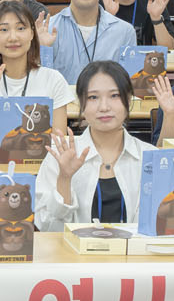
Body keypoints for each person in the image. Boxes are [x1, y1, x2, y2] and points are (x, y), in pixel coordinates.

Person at [34, 60, 155, 230]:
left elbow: (155, 227)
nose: (104, 107)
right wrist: (64, 179)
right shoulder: (60, 154)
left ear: (128, 99)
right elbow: (46, 227)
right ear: (81, 103)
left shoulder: (150, 157)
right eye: (93, 97)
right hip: (71, 248)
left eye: (114, 95)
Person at [0, 0, 74, 136]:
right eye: (4, 30)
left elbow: (59, 140)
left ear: (32, 33)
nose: (13, 37)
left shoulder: (53, 79)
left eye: (20, 28)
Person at [42, 0, 137, 86]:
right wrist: (43, 49)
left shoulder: (124, 32)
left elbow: (128, 85)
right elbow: (40, 81)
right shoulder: (47, 29)